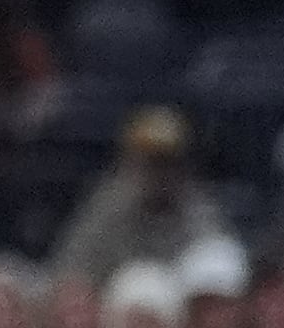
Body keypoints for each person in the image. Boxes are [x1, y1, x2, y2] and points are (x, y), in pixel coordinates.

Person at [53, 112, 232, 289]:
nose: (160, 174)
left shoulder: (198, 211)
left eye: (168, 163)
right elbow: (72, 272)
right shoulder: (107, 208)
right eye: (150, 162)